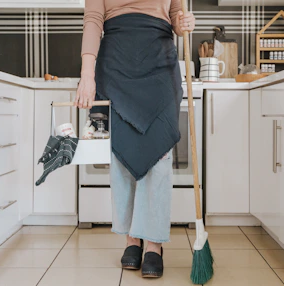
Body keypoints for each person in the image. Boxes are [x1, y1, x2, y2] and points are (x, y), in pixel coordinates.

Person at [76, 0, 195, 278]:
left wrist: (182, 23)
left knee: (158, 153)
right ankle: (132, 237)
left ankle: (153, 242)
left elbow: (176, 14)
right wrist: (86, 75)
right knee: (122, 152)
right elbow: (93, 19)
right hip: (116, 61)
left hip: (159, 61)